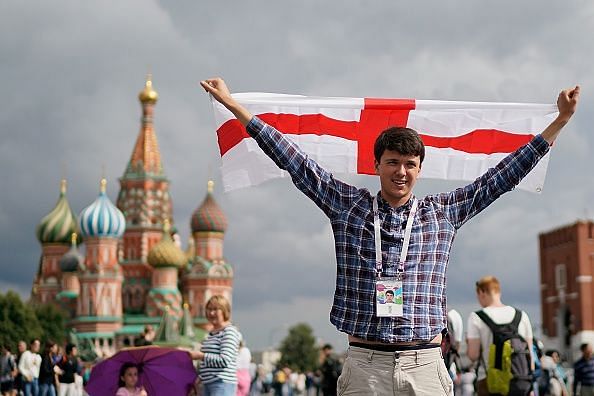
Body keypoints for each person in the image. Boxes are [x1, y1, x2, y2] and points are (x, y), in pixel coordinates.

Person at [201, 77, 580, 395]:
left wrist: (559, 122)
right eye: (393, 162)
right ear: (377, 164)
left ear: (420, 168)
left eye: (410, 164)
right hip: (366, 365)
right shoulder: (348, 206)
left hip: (425, 365)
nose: (401, 172)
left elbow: (503, 176)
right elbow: (295, 161)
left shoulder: (443, 212)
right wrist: (236, 108)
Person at [466, 275, 534, 396]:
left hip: (488, 382)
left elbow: (473, 355)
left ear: (482, 292)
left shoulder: (476, 317)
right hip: (519, 381)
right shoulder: (522, 316)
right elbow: (530, 355)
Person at [188, 295, 241, 396]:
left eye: (216, 309)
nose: (211, 313)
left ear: (224, 311)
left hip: (222, 383)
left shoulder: (229, 332)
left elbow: (224, 360)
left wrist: (200, 356)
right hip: (208, 384)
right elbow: (206, 363)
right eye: (209, 309)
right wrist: (199, 379)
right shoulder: (211, 334)